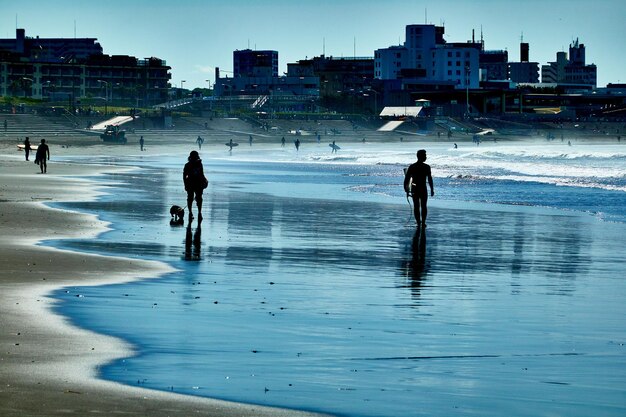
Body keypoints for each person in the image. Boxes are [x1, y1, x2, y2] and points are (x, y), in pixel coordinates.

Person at [404, 149, 434, 228]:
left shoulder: (412, 166)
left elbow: (407, 179)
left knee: (416, 206)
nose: (426, 157)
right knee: (424, 206)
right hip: (423, 188)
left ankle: (418, 222)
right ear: (421, 156)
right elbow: (429, 179)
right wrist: (431, 189)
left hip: (414, 187)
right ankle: (423, 222)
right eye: (425, 155)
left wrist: (406, 189)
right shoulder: (427, 167)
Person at [183, 151, 206, 221]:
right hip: (194, 184)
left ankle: (193, 213)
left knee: (191, 198)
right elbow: (185, 176)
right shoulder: (196, 164)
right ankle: (197, 213)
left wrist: (185, 184)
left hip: (194, 184)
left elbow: (184, 176)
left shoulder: (196, 164)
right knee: (198, 198)